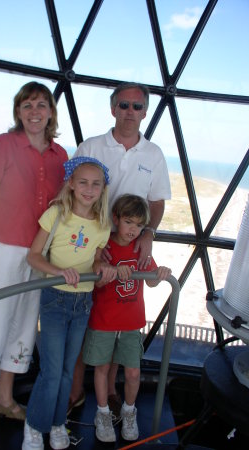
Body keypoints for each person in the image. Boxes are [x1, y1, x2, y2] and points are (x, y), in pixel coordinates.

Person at [0, 82, 68, 450]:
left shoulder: (60, 155)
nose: (35, 111)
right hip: (0, 250)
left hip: (39, 253)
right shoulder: (2, 145)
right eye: (27, 105)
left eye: (42, 104)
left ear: (52, 112)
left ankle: (3, 399)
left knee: (24, 328)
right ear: (18, 112)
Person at [69, 81, 171, 418]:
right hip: (91, 245)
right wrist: (93, 247)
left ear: (145, 112)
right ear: (113, 109)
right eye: (124, 105)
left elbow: (156, 201)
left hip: (127, 246)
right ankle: (74, 391)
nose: (130, 112)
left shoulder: (153, 154)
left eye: (137, 106)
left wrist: (148, 233)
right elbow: (73, 194)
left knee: (112, 319)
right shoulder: (92, 146)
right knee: (85, 316)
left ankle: (109, 391)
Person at [22, 156, 117, 450]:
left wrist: (102, 265)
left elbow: (97, 256)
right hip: (55, 298)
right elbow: (34, 256)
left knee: (66, 370)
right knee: (51, 371)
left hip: (82, 302)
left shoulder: (103, 224)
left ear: (103, 189)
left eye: (96, 184)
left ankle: (57, 423)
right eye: (83, 182)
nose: (89, 189)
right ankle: (34, 426)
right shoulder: (57, 213)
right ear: (72, 185)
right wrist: (59, 272)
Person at [83, 194, 172, 443]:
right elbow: (96, 281)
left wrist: (161, 272)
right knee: (101, 369)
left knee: (133, 373)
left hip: (132, 323)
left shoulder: (140, 250)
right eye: (129, 222)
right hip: (104, 321)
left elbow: (152, 280)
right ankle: (102, 414)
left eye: (139, 225)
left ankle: (128, 411)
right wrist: (110, 272)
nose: (133, 230)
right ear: (116, 219)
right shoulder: (105, 247)